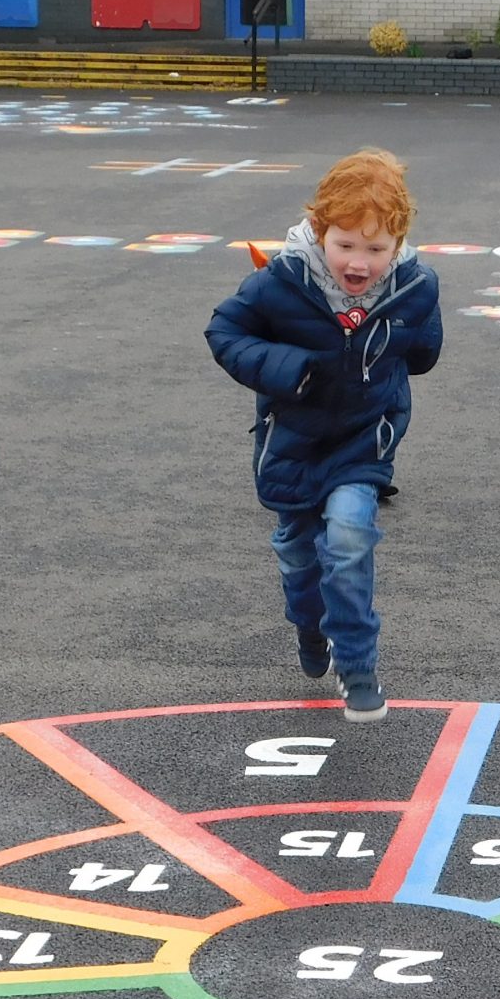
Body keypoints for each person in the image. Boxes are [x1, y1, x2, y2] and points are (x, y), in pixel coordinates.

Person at [205, 149, 441, 724]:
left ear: (399, 243)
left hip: (362, 441)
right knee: (299, 557)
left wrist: (392, 353)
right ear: (319, 230)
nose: (359, 261)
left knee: (350, 536)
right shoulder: (279, 281)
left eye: (376, 249)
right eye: (345, 245)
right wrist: (288, 367)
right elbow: (224, 330)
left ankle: (359, 666)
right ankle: (309, 628)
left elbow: (424, 351)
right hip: (294, 442)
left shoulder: (413, 287)